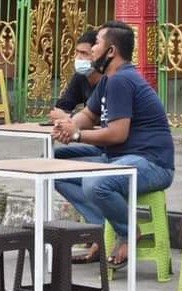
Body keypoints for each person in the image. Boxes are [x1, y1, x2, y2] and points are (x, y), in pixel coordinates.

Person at [52, 21, 174, 268]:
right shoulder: (109, 80)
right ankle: (101, 229)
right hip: (118, 157)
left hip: (152, 164)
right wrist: (68, 126)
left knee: (96, 182)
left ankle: (128, 231)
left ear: (111, 51)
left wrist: (76, 135)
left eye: (96, 43)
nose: (92, 49)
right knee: (55, 169)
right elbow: (89, 116)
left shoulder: (122, 80)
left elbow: (117, 134)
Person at [48, 30, 102, 122]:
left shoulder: (111, 80)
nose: (78, 58)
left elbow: (102, 118)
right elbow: (62, 107)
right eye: (77, 52)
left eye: (84, 53)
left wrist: (69, 117)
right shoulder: (80, 76)